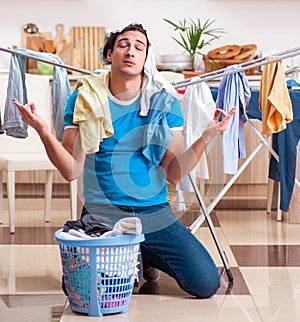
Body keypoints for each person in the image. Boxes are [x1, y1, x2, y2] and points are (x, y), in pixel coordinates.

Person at [13, 22, 236, 298]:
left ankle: (144, 254)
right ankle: (134, 257)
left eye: (139, 47)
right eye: (123, 45)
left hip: (154, 213)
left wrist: (206, 136)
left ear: (145, 59)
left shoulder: (163, 101)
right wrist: (43, 130)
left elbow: (174, 174)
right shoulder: (85, 98)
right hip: (101, 215)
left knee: (205, 284)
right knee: (90, 290)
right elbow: (71, 170)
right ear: (109, 55)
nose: (131, 50)